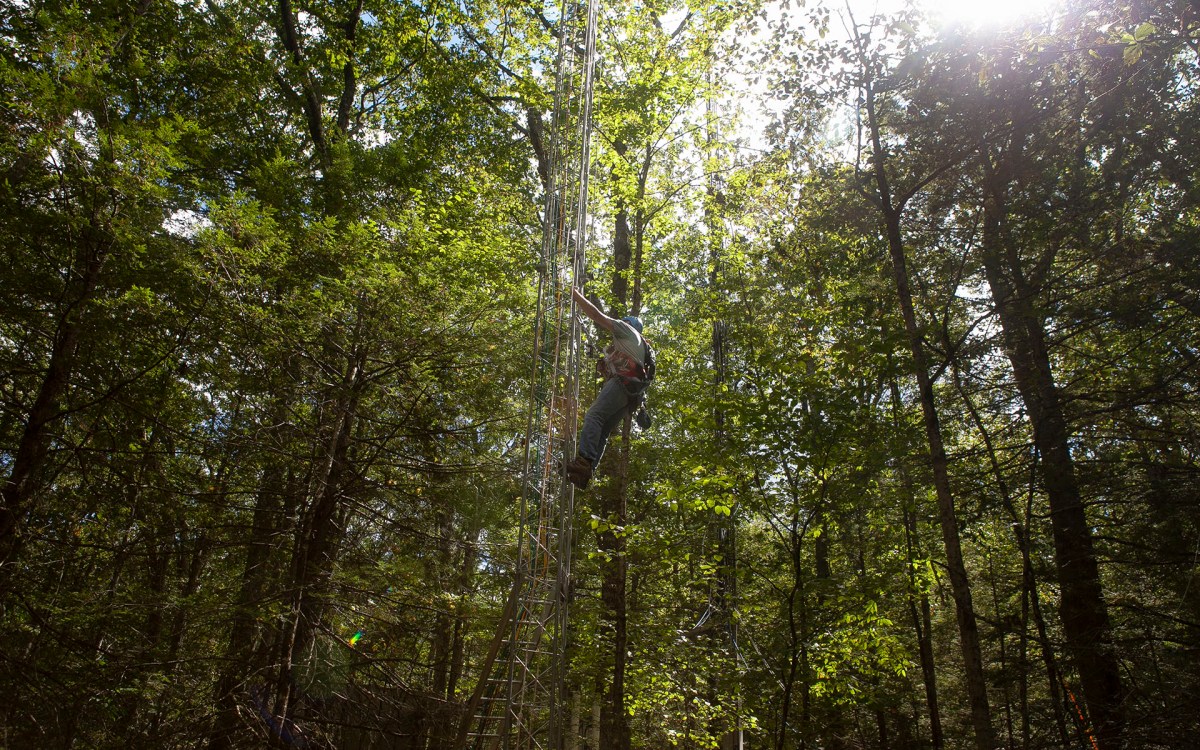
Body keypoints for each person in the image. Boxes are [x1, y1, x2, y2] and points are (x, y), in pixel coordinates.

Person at [564, 287, 653, 490]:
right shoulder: (639, 346)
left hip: (624, 385)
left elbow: (596, 315)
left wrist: (575, 295)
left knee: (594, 416)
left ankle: (584, 461)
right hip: (631, 397)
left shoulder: (625, 329)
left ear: (628, 324)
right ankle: (586, 472)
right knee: (603, 431)